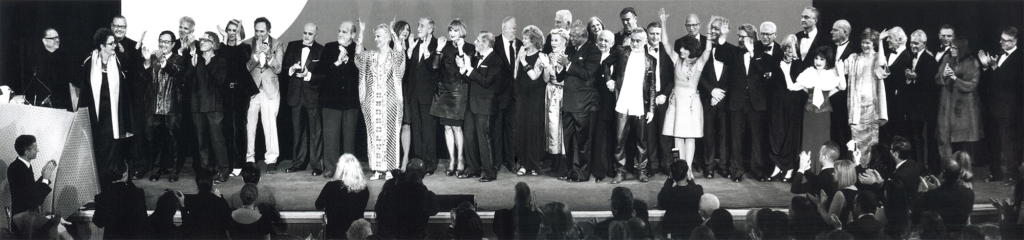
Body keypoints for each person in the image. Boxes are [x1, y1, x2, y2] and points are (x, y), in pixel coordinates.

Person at [73, 28, 135, 186]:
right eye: (111, 43)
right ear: (101, 46)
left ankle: (108, 182)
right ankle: (98, 182)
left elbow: (127, 85)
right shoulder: (89, 61)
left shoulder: (118, 61)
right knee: (97, 149)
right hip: (96, 114)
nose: (114, 46)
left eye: (114, 43)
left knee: (112, 148)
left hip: (113, 114)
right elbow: (84, 90)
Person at [660, 9, 713, 178]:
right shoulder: (676, 60)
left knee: (690, 137)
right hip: (676, 101)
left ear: (690, 49)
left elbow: (708, 50)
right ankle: (680, 169)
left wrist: (710, 29)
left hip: (691, 103)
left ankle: (688, 168)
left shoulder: (698, 63)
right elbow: (665, 43)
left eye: (684, 48)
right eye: (681, 48)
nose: (680, 50)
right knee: (677, 136)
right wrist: (663, 22)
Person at [356, 21, 406, 180]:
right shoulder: (370, 56)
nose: (376, 39)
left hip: (390, 103)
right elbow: (358, 58)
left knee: (390, 135)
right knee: (374, 135)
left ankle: (390, 169)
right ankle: (377, 169)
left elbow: (400, 55)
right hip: (373, 103)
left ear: (387, 38)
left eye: (378, 36)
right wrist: (361, 34)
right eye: (375, 36)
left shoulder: (393, 56)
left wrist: (393, 32)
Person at [720, 23, 769, 182]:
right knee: (736, 139)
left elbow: (762, 70)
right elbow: (719, 55)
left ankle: (758, 171)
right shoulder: (734, 52)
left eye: (743, 36)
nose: (740, 39)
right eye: (739, 36)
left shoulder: (761, 53)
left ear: (752, 38)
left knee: (757, 139)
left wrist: (752, 52)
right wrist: (722, 36)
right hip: (737, 101)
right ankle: (736, 172)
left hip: (756, 102)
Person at [608, 27, 656, 184]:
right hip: (623, 102)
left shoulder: (651, 60)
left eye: (638, 41)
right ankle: (620, 172)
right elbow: (605, 63)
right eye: (633, 40)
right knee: (619, 139)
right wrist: (609, 79)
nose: (635, 43)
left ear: (645, 41)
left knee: (641, 140)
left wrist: (652, 109)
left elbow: (652, 86)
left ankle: (641, 170)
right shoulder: (622, 52)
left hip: (641, 104)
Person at [316, 21, 361, 178]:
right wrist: (337, 63)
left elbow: (361, 76)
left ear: (353, 35)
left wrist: (350, 63)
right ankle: (330, 168)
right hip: (331, 101)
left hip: (351, 102)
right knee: (330, 138)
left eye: (345, 31)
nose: (341, 34)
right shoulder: (329, 48)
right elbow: (321, 73)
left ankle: (349, 170)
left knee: (349, 138)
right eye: (339, 30)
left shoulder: (359, 49)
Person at [139, 30, 186, 182]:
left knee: (173, 140)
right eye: (161, 41)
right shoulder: (152, 57)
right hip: (154, 107)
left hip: (172, 106)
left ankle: (173, 170)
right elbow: (144, 78)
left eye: (166, 42)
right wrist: (147, 62)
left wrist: (163, 61)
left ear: (173, 44)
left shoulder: (178, 58)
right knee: (155, 139)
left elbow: (175, 71)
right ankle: (157, 168)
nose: (163, 44)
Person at [461, 31, 507, 182]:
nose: (474, 42)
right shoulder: (476, 58)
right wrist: (464, 69)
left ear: (486, 43)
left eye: (478, 40)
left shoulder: (496, 60)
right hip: (472, 103)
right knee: (469, 136)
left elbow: (486, 82)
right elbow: (473, 80)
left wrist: (469, 69)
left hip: (485, 105)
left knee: (484, 138)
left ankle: (489, 172)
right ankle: (473, 168)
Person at [558, 21, 600, 182]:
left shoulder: (593, 51)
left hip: (584, 103)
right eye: (570, 36)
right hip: (569, 103)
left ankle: (581, 174)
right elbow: (562, 76)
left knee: (582, 141)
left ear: (583, 36)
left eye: (574, 37)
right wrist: (560, 66)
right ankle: (571, 171)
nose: (570, 39)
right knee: (569, 140)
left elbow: (587, 74)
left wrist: (567, 64)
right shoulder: (569, 49)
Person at [978, 27, 1021, 185]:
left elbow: (1011, 83)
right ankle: (995, 173)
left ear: (1014, 41)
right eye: (1001, 39)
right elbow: (991, 81)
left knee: (1008, 142)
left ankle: (1013, 175)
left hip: (1008, 108)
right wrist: (986, 67)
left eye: (1005, 40)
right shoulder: (1001, 55)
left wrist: (995, 67)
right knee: (993, 141)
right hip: (993, 106)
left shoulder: (1019, 58)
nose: (1000, 42)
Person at [187, 32, 231, 183]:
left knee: (217, 140)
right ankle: (205, 171)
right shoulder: (195, 59)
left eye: (207, 40)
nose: (203, 42)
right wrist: (192, 66)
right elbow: (185, 80)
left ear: (214, 44)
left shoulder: (220, 61)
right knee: (201, 142)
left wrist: (208, 63)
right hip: (197, 106)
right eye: (202, 39)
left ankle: (223, 171)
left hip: (213, 107)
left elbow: (219, 81)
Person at [433, 19, 474, 179]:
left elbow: (465, 68)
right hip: (444, 90)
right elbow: (436, 66)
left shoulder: (469, 47)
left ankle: (461, 159)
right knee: (447, 127)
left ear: (462, 31)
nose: (451, 33)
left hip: (459, 90)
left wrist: (462, 49)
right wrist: (438, 49)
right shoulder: (446, 46)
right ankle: (451, 160)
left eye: (455, 30)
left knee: (456, 127)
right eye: (450, 30)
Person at [283, 23, 325, 175]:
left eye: (310, 34)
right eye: (305, 33)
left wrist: (308, 75)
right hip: (295, 96)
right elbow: (285, 67)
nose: (307, 36)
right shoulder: (292, 46)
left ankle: (317, 165)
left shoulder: (321, 50)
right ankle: (298, 163)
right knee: (297, 131)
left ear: (316, 34)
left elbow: (324, 75)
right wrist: (291, 69)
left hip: (312, 96)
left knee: (316, 132)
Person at [936, 37, 983, 173]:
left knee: (964, 142)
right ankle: (948, 170)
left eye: (955, 48)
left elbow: (972, 85)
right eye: (951, 47)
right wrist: (943, 75)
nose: (951, 50)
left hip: (964, 108)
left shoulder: (972, 62)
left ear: (962, 49)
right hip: (947, 104)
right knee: (945, 138)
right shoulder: (947, 59)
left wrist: (955, 78)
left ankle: (964, 171)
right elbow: (937, 78)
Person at [218, 19, 259, 176]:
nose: (231, 33)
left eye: (234, 30)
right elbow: (224, 59)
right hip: (226, 93)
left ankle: (239, 164)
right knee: (227, 128)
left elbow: (240, 60)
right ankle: (228, 163)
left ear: (240, 32)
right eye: (229, 30)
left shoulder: (245, 47)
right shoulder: (222, 48)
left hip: (241, 93)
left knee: (239, 129)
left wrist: (238, 39)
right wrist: (224, 40)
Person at [793, 46, 843, 172]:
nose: (818, 62)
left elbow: (842, 86)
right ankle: (806, 173)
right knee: (808, 142)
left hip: (823, 114)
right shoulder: (808, 72)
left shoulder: (830, 74)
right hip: (809, 113)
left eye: (822, 59)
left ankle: (821, 173)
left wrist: (841, 72)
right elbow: (794, 87)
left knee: (822, 142)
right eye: (816, 58)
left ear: (827, 61)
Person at [843, 28, 888, 166]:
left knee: (872, 142)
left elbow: (882, 65)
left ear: (873, 43)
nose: (865, 45)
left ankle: (869, 170)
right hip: (857, 107)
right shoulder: (854, 58)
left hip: (872, 107)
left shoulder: (877, 57)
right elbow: (842, 69)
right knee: (857, 141)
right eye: (863, 42)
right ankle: (857, 169)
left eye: (868, 42)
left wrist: (880, 41)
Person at [246, 17, 284, 173]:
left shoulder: (277, 44)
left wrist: (269, 55)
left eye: (262, 31)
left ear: (269, 30)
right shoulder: (248, 44)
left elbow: (278, 69)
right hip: (252, 90)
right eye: (256, 31)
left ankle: (271, 160)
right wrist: (255, 56)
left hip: (270, 91)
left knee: (270, 126)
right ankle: (249, 158)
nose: (259, 34)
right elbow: (246, 68)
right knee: (250, 126)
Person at [513, 25, 552, 177]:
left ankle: (534, 164)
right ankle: (523, 164)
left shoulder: (542, 56)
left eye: (526, 39)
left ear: (534, 41)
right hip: (523, 97)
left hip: (536, 97)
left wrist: (523, 61)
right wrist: (519, 59)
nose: (523, 41)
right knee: (522, 130)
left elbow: (535, 76)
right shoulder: (522, 54)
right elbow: (516, 74)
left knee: (534, 130)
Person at [404, 18, 442, 175]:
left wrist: (427, 55)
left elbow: (436, 69)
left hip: (428, 95)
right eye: (418, 24)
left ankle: (429, 163)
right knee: (417, 129)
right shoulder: (414, 44)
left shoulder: (437, 45)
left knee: (428, 130)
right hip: (413, 94)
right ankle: (418, 161)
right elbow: (409, 71)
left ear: (431, 29)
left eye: (422, 25)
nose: (418, 28)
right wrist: (409, 53)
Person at [901, 30, 941, 173]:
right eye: (911, 42)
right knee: (914, 137)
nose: (913, 46)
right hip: (912, 107)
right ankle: (917, 165)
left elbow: (931, 86)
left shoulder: (930, 60)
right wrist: (909, 79)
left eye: (916, 43)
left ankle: (926, 167)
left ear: (924, 44)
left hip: (925, 108)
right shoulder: (910, 58)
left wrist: (916, 78)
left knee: (924, 139)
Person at [698, 16, 733, 179]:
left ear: (724, 31)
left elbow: (735, 77)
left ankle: (724, 166)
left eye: (716, 29)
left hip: (725, 101)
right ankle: (709, 166)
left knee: (724, 134)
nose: (713, 31)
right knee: (708, 135)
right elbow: (699, 76)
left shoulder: (731, 50)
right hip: (707, 99)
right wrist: (711, 91)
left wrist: (720, 95)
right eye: (711, 28)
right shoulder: (702, 49)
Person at [765, 35, 803, 182]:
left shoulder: (800, 65)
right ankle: (777, 166)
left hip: (793, 104)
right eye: (786, 48)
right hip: (777, 103)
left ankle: (789, 168)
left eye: (792, 48)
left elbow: (794, 86)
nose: (789, 51)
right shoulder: (777, 62)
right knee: (776, 134)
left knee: (790, 135)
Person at [374, 159, 439, 240]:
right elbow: (434, 210)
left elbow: (378, 208)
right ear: (423, 175)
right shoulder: (426, 195)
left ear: (406, 173)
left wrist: (396, 180)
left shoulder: (392, 190)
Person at [316, 154, 370, 240]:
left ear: (339, 169)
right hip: (356, 235)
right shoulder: (364, 188)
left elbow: (318, 205)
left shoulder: (331, 186)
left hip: (334, 234)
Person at [493, 16, 521, 174]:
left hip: (514, 96)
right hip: (497, 96)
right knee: (496, 130)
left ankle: (511, 162)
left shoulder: (521, 45)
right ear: (504, 29)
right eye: (513, 28)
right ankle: (497, 163)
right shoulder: (494, 43)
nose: (515, 31)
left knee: (512, 130)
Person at [93, 162, 148, 240]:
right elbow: (143, 219)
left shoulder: (102, 196)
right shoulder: (138, 193)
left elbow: (98, 222)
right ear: (125, 174)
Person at [917, 158, 974, 232]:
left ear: (943, 173)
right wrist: (939, 188)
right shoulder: (969, 193)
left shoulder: (931, 195)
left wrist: (923, 192)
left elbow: (916, 216)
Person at [25, 28, 72, 110]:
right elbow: (30, 85)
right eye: (54, 38)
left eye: (58, 37)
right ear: (44, 41)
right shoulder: (35, 59)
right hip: (43, 106)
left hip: (62, 104)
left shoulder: (64, 57)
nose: (57, 40)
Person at [593, 29, 619, 183]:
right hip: (596, 103)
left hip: (614, 103)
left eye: (606, 41)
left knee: (613, 137)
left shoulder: (617, 58)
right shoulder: (592, 57)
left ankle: (612, 168)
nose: (603, 43)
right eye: (600, 40)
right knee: (600, 138)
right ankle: (600, 171)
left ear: (612, 43)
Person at [880, 27, 912, 144]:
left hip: (899, 106)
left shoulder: (908, 57)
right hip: (886, 103)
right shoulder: (887, 56)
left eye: (890, 38)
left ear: (899, 40)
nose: (887, 40)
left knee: (897, 135)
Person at [9, 135, 56, 216]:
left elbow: (31, 190)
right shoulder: (17, 169)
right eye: (34, 149)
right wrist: (45, 179)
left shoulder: (23, 166)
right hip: (24, 222)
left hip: (27, 219)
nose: (37, 150)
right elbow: (35, 200)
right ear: (27, 152)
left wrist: (44, 175)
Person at [658, 160, 705, 239]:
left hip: (673, 230)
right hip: (692, 229)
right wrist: (690, 179)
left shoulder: (668, 193)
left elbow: (661, 203)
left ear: (672, 174)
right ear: (686, 173)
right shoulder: (697, 190)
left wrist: (670, 179)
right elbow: (694, 189)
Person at [829, 19, 854, 158]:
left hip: (846, 99)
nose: (831, 32)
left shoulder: (854, 50)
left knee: (845, 132)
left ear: (845, 32)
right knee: (833, 131)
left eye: (835, 30)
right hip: (831, 98)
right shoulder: (830, 48)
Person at [545, 27, 569, 176]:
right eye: (552, 40)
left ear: (564, 41)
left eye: (556, 40)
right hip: (550, 92)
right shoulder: (548, 55)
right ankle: (555, 160)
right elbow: (546, 79)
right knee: (552, 127)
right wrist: (547, 66)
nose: (553, 43)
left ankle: (564, 163)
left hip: (563, 94)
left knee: (562, 127)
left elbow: (566, 79)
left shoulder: (568, 56)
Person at [180, 173, 232, 240]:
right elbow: (228, 224)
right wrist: (220, 199)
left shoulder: (191, 201)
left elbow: (187, 225)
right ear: (212, 183)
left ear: (197, 184)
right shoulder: (220, 201)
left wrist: (182, 206)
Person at [795, 6, 831, 71]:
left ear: (815, 20)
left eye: (806, 17)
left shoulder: (825, 40)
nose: (802, 20)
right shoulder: (797, 36)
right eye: (802, 17)